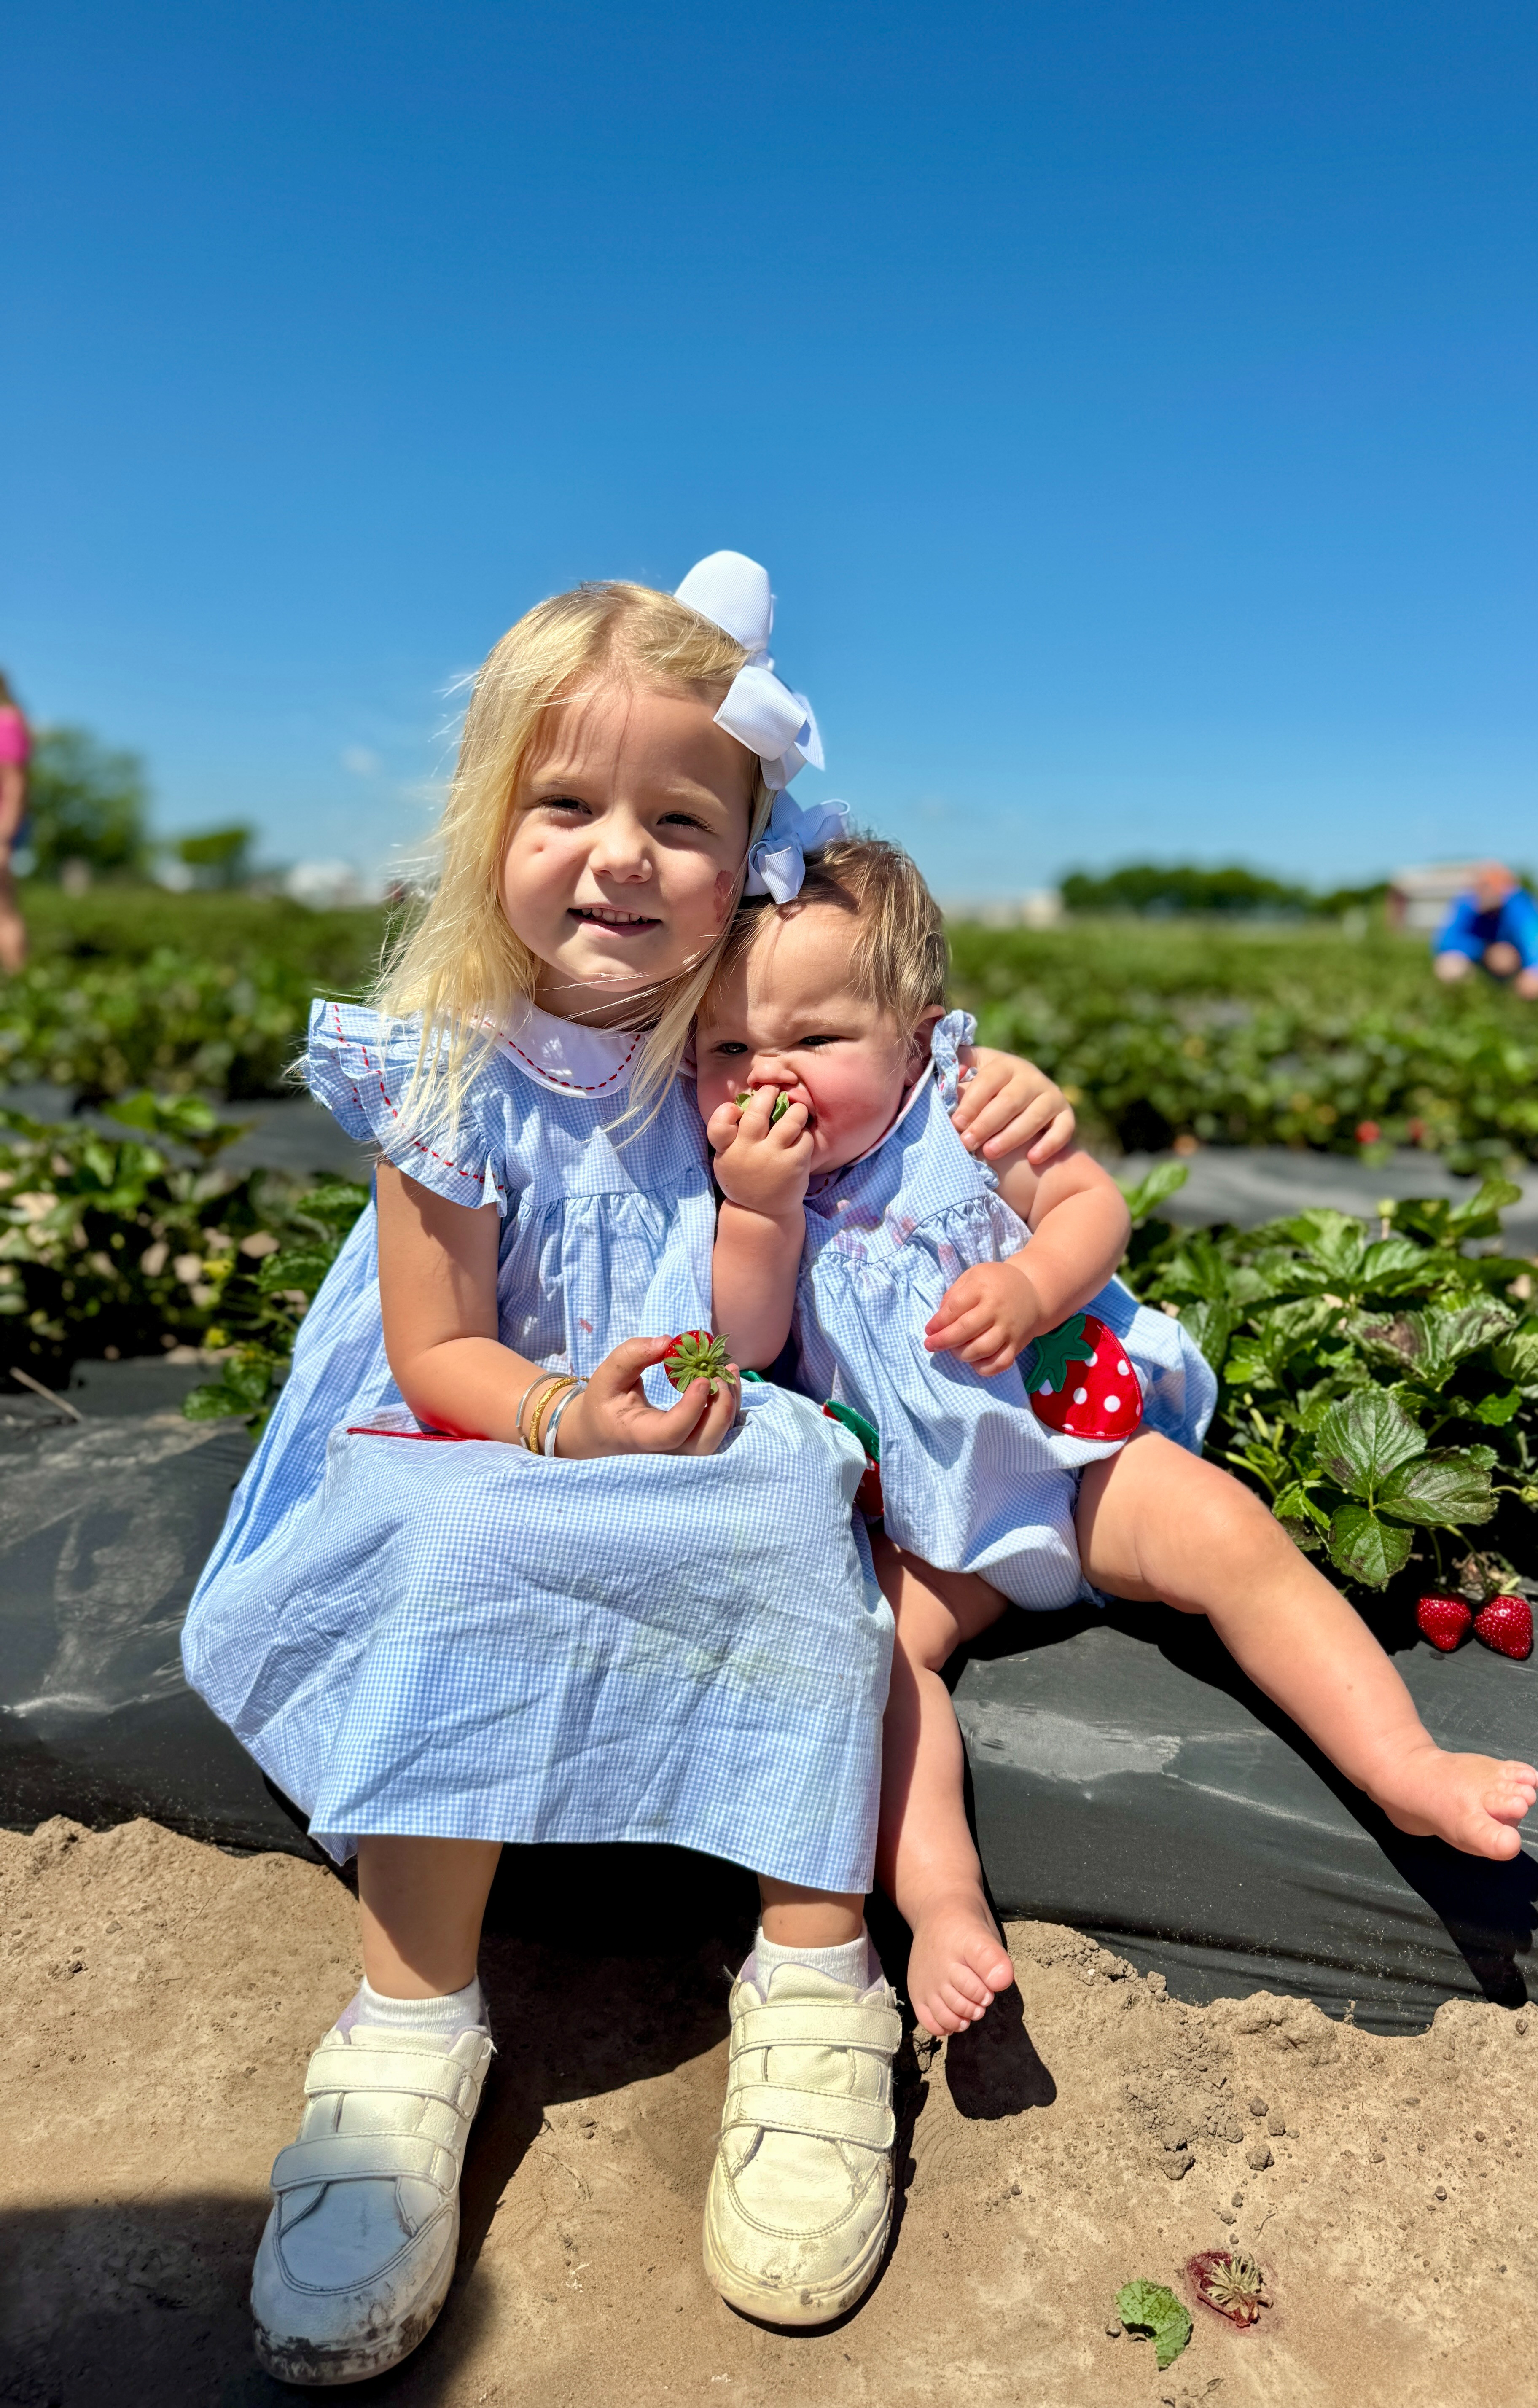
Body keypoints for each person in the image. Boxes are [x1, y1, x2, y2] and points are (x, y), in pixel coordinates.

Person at [180, 556, 1071, 2381]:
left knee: (793, 1519)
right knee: (445, 1553)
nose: (618, 857)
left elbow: (889, 1057)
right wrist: (564, 1419)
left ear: (748, 852)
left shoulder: (731, 1029)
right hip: (480, 1421)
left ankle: (817, 1975)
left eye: (680, 817)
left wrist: (1010, 1102)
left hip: (707, 1417)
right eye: (565, 804)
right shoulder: (448, 1066)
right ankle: (410, 2021)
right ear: (485, 821)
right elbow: (436, 1352)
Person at [696, 837, 1538, 2039]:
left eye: (815, 1041)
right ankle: (942, 1904)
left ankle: (1401, 1765)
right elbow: (745, 1336)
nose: (765, 1076)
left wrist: (1035, 1286)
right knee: (872, 1664)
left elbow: (1092, 1206)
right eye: (725, 1049)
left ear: (917, 1034)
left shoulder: (968, 1106)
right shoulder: (740, 1186)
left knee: (1227, 1535)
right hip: (937, 1523)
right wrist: (758, 1212)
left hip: (1074, 1460)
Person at [1433, 862, 1538, 998]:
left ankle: (1508, 992)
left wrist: (1535, 970)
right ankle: (1469, 997)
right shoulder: (1466, 904)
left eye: (1489, 887)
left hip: (1512, 960)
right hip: (1477, 958)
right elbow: (1445, 943)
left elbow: (1534, 943)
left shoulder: (1520, 906)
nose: (1484, 892)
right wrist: (1485, 951)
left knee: (1517, 969)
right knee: (1449, 967)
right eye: (1481, 887)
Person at [0, 669, 30, 973]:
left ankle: (19, 978)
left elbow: (15, 782)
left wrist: (5, 833)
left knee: (3, 907)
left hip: (1, 826)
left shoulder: (6, 722)